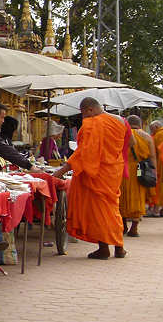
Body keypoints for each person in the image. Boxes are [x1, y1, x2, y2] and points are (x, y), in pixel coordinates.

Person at [53, 97, 130, 260]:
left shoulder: (93, 124)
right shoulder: (118, 122)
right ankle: (119, 247)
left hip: (98, 173)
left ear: (89, 110)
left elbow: (84, 153)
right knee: (112, 209)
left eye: (83, 114)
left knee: (99, 211)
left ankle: (103, 249)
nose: (83, 118)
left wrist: (61, 171)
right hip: (113, 170)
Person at [119, 115, 156, 237]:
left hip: (123, 169)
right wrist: (154, 171)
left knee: (122, 196)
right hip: (139, 169)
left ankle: (123, 225)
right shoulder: (147, 137)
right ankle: (134, 227)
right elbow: (152, 156)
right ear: (140, 125)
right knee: (138, 196)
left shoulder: (122, 134)